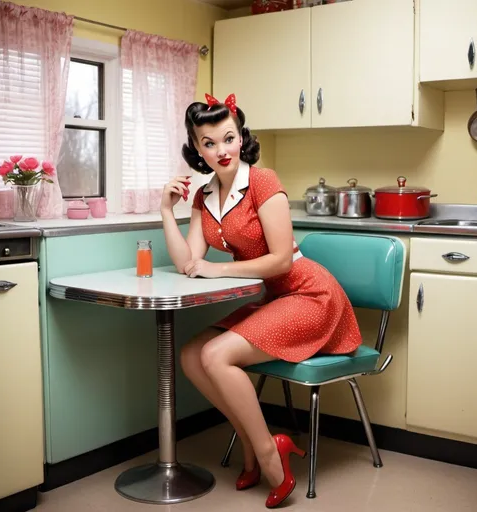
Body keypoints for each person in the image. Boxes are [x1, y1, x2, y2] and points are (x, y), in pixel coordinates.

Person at [160, 93, 362, 508]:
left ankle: (270, 454)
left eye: (228, 138)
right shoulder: (204, 196)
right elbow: (189, 263)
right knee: (192, 354)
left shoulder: (264, 181)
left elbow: (282, 258)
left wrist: (218, 270)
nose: (221, 150)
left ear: (241, 137)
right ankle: (256, 445)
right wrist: (165, 211)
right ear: (196, 148)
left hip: (310, 293)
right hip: (276, 299)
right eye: (209, 143)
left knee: (216, 355)